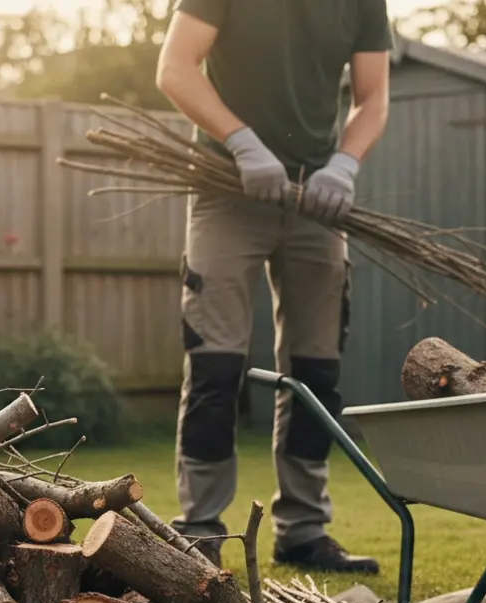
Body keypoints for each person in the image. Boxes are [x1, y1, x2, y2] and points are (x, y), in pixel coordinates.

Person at [155, 0, 392, 572]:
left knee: (316, 371)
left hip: (318, 197)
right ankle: (201, 530)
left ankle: (303, 531)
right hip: (227, 187)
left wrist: (345, 164)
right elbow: (175, 68)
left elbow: (373, 97)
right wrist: (241, 141)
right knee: (215, 366)